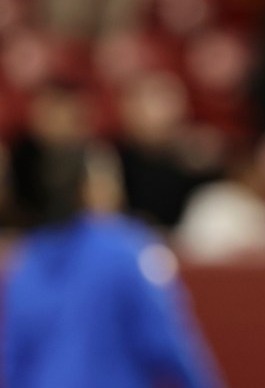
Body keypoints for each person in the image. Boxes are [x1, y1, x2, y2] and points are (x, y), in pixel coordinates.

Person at [1, 132, 224, 387]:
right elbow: (165, 342)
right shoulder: (127, 250)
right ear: (90, 187)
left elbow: (13, 363)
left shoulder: (24, 263)